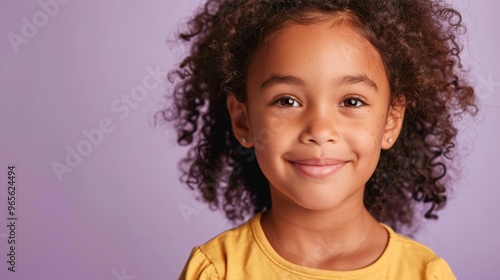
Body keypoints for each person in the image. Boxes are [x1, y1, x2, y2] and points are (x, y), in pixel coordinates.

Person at [161, 0, 477, 279]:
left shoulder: (424, 274)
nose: (320, 130)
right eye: (287, 101)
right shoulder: (218, 270)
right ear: (243, 121)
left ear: (391, 122)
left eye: (351, 102)